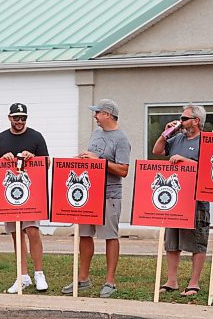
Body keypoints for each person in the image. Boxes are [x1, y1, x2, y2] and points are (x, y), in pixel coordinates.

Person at [61, 99, 131, 298]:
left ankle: (110, 281)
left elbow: (123, 170)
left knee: (110, 236)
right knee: (84, 234)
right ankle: (83, 279)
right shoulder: (96, 133)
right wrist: (82, 159)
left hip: (110, 194)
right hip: (89, 193)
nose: (95, 116)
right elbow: (93, 160)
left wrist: (98, 161)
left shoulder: (121, 139)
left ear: (108, 114)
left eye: (97, 113)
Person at [0, 102, 49, 294]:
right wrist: (0, 160)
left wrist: (34, 158)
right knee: (16, 234)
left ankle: (39, 273)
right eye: (16, 118)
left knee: (32, 231)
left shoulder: (36, 137)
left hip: (31, 194)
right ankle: (22, 276)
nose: (20, 121)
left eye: (23, 118)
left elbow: (47, 163)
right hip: (9, 196)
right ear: (9, 118)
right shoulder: (0, 139)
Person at [152, 104, 210, 297]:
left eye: (184, 118)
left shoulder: (205, 141)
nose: (181, 121)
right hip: (175, 199)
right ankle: (172, 281)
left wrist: (185, 161)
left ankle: (194, 283)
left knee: (197, 242)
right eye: (181, 118)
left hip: (196, 199)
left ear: (196, 121)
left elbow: (208, 169)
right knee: (172, 243)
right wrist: (166, 133)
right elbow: (157, 151)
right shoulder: (177, 138)